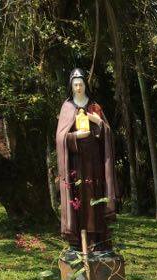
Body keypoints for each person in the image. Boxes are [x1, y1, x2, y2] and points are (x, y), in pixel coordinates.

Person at [55, 68, 117, 251]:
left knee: (94, 195)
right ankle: (77, 241)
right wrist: (75, 136)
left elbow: (107, 133)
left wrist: (97, 121)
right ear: (71, 86)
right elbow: (60, 137)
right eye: (75, 85)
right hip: (75, 163)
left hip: (94, 161)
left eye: (81, 84)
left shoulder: (94, 106)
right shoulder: (67, 107)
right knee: (77, 197)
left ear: (85, 85)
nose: (78, 87)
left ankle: (97, 239)